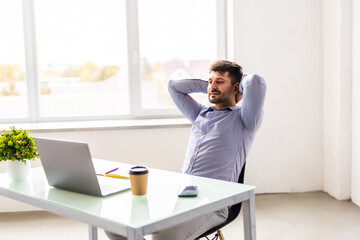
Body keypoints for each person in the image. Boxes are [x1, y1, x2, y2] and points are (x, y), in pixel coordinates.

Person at [105, 60, 266, 240]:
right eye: (210, 81)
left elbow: (256, 82)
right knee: (116, 226)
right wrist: (212, 85)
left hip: (213, 201)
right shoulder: (200, 113)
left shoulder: (244, 120)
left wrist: (238, 84)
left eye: (220, 81)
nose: (212, 87)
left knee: (164, 237)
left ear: (236, 88)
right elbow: (174, 86)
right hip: (179, 192)